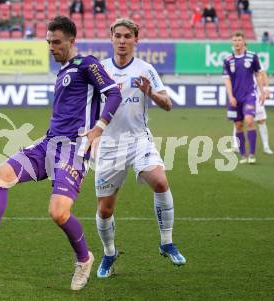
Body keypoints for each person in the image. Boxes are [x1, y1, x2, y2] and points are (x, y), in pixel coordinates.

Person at [0, 16, 122, 291]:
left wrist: (98, 129)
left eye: (56, 42)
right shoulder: (63, 70)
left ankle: (84, 258)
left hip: (73, 150)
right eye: (48, 42)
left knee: (58, 213)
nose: (51, 47)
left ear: (71, 41)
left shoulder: (87, 63)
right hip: (48, 144)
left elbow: (114, 94)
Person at [92, 18, 186, 278]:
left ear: (136, 39)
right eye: (118, 36)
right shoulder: (99, 70)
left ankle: (166, 242)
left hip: (138, 140)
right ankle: (109, 253)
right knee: (105, 209)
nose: (122, 41)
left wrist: (151, 93)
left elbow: (167, 104)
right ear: (111, 37)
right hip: (109, 145)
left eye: (127, 37)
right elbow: (86, 105)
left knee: (159, 180)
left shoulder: (146, 69)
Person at [223, 31, 269, 164]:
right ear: (232, 43)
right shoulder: (228, 60)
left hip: (249, 95)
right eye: (235, 40)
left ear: (244, 42)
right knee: (238, 125)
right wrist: (230, 96)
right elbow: (227, 80)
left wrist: (262, 92)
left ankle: (252, 154)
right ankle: (243, 155)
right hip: (235, 98)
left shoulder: (252, 57)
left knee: (249, 121)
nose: (237, 43)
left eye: (239, 40)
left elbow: (258, 74)